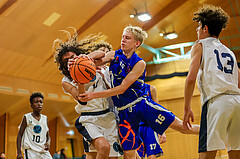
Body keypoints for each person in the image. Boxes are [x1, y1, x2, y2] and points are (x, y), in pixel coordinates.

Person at [78, 25, 200, 159]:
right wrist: (82, 59)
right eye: (123, 37)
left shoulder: (139, 63)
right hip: (124, 112)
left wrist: (92, 95)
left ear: (137, 43)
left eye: (127, 38)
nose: (123, 40)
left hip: (142, 106)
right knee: (129, 154)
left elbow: (122, 88)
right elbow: (93, 62)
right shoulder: (114, 55)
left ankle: (210, 130)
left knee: (182, 127)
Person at [53, 30, 122, 159]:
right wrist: (80, 83)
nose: (70, 60)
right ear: (63, 65)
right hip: (89, 118)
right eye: (66, 60)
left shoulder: (91, 63)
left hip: (108, 115)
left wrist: (84, 60)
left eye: (73, 57)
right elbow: (82, 100)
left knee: (112, 156)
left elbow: (106, 53)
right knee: (104, 147)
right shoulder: (66, 81)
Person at [183, 4, 240, 159]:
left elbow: (190, 79)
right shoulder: (229, 52)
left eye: (198, 27)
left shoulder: (200, 45)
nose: (197, 30)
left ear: (205, 28)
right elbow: (238, 81)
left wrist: (187, 108)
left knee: (206, 155)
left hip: (216, 102)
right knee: (236, 152)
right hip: (237, 102)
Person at [16, 92, 52, 159]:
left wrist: (48, 142)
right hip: (31, 151)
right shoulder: (27, 117)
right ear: (32, 105)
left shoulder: (45, 118)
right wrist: (18, 152)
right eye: (36, 102)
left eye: (41, 102)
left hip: (43, 151)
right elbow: (19, 135)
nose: (39, 104)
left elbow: (47, 135)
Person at [137, 84, 166, 159]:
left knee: (151, 154)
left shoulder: (151, 88)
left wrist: (162, 131)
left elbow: (158, 110)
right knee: (137, 155)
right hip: (135, 126)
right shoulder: (127, 88)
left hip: (150, 126)